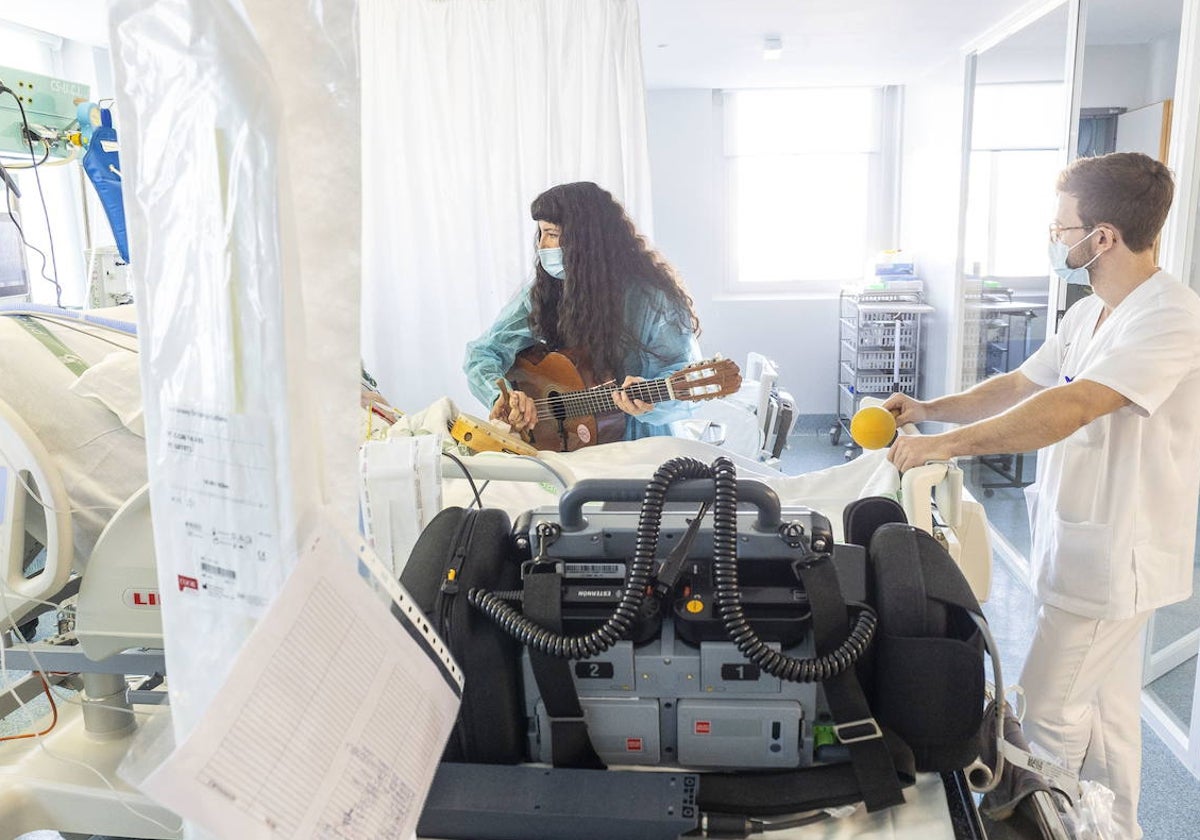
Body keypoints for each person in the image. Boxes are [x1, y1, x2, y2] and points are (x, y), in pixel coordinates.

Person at [883, 151, 1200, 839]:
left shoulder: (1170, 317)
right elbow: (1022, 386)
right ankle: (1117, 831)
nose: (1056, 242)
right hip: (1082, 546)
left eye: (1061, 230)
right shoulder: (1092, 315)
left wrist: (943, 447)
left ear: (1103, 237)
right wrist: (929, 410)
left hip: (1117, 557)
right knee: (1111, 724)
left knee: (1044, 724)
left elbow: (1074, 406)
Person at [464, 181, 702, 442]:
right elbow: (482, 354)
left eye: (552, 234)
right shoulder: (545, 292)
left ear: (585, 241)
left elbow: (686, 376)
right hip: (571, 446)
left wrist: (650, 400)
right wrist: (504, 396)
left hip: (642, 445)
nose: (542, 245)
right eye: (541, 233)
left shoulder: (653, 300)